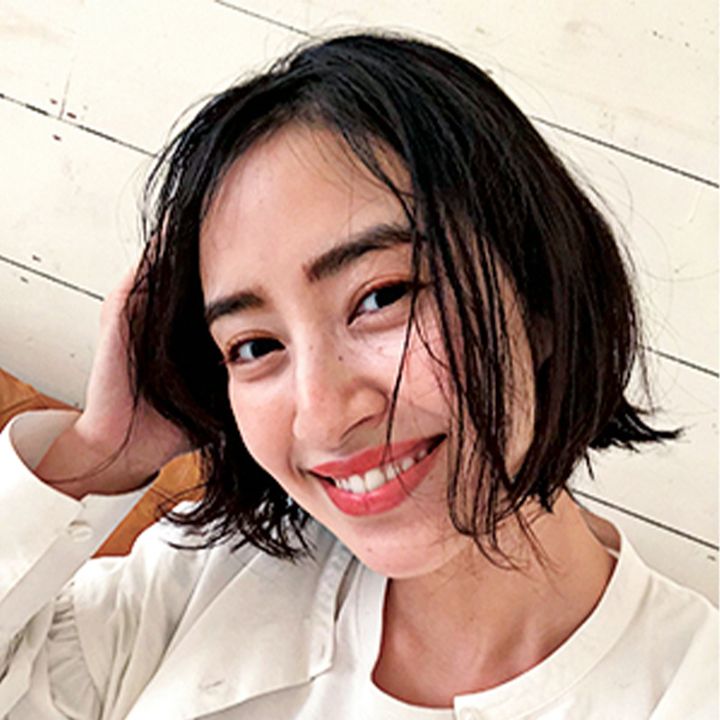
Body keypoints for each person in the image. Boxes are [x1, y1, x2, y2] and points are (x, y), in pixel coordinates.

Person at [0, 32, 716, 719]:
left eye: (382, 297)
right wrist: (98, 456)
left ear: (539, 297)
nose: (322, 414)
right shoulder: (200, 577)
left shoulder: (691, 687)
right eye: (254, 345)